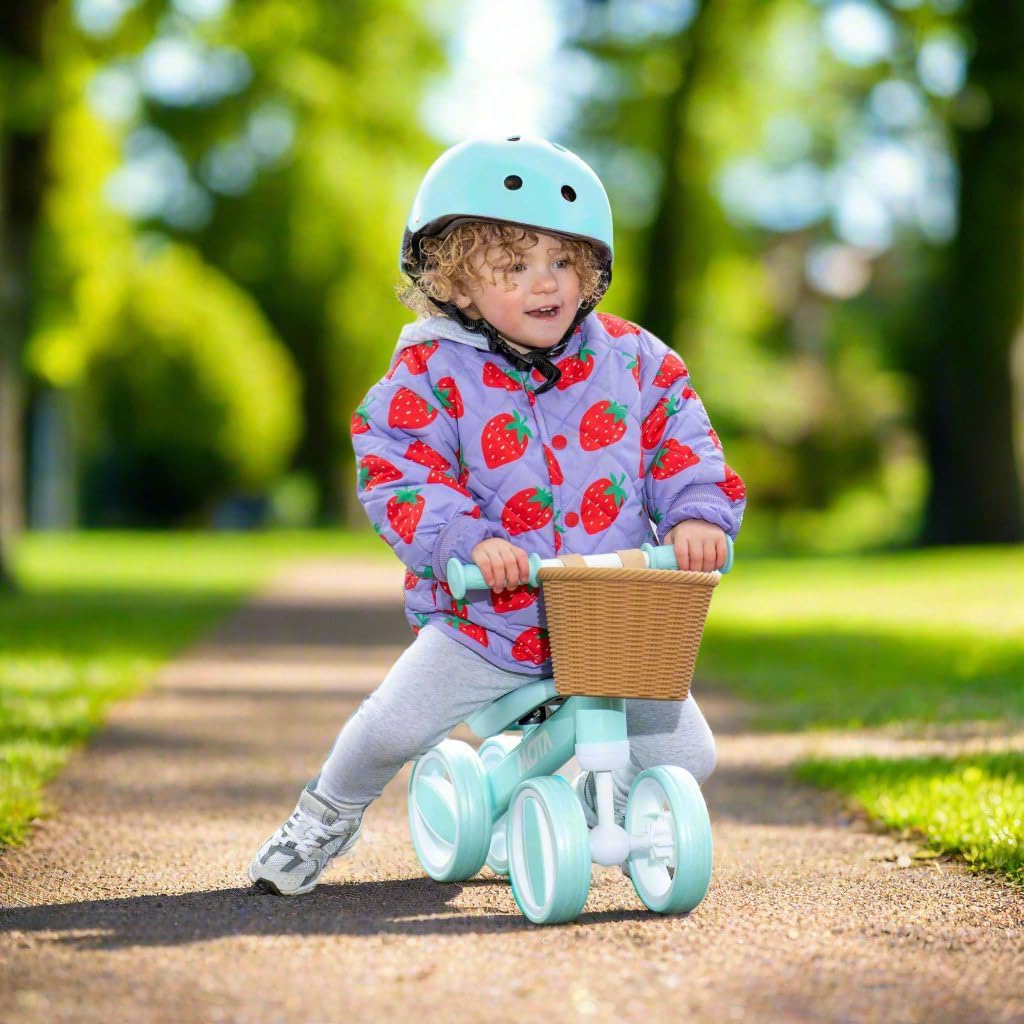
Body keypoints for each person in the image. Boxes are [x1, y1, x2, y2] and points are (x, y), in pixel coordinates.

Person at [248, 136, 746, 896]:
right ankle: (323, 817)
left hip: (610, 612)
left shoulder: (637, 360)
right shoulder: (428, 372)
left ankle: (595, 802)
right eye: (514, 267)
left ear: (593, 269)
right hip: (492, 616)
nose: (547, 283)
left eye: (564, 261)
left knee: (689, 753)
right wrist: (466, 540)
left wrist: (696, 514)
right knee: (392, 726)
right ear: (455, 286)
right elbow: (399, 468)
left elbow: (681, 436)